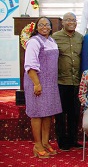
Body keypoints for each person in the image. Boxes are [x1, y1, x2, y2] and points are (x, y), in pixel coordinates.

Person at [24, 17, 62, 158]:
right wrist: (37, 84)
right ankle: (37, 145)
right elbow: (30, 65)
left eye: (47, 24)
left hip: (50, 83)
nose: (44, 27)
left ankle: (46, 143)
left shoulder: (51, 41)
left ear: (51, 28)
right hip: (37, 82)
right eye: (41, 25)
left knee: (48, 113)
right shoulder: (34, 42)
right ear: (36, 27)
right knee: (37, 114)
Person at [52, 12, 84, 151]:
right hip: (61, 82)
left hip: (76, 81)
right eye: (68, 20)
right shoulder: (55, 38)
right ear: (63, 22)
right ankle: (62, 140)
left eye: (74, 20)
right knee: (60, 113)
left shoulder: (80, 38)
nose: (71, 22)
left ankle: (72, 139)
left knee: (74, 113)